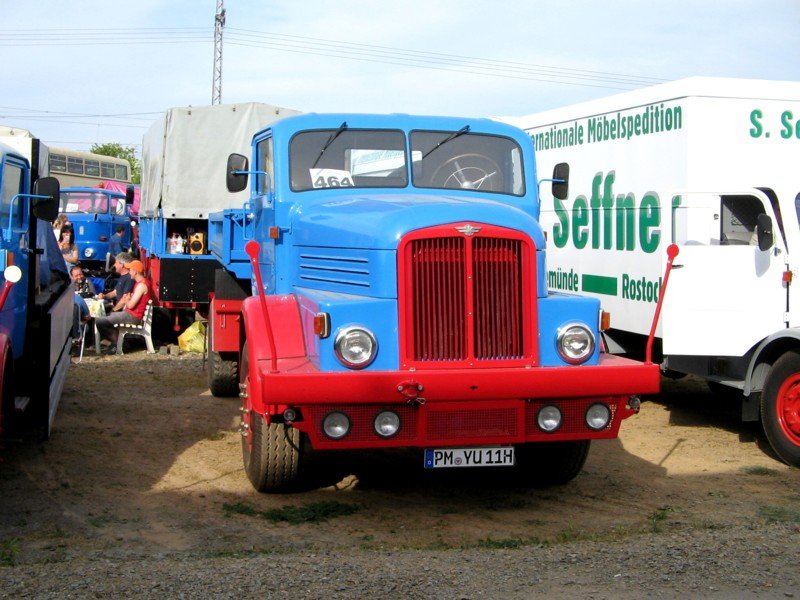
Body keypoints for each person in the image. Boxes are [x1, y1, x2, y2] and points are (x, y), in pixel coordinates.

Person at [94, 259, 152, 354]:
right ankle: (117, 343)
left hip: (133, 316)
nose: (129, 272)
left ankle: (118, 344)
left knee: (101, 321)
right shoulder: (139, 283)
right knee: (101, 318)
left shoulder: (142, 285)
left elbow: (130, 305)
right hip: (130, 314)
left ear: (135, 272)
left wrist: (127, 299)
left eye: (130, 270)